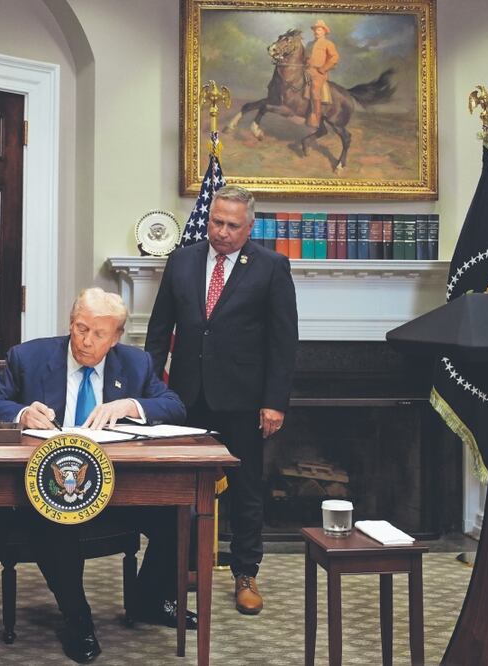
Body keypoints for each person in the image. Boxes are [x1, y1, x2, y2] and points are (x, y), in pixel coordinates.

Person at [0, 288, 193, 664]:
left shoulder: (136, 364)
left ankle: (149, 598)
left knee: (182, 514)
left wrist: (132, 404)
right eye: (80, 329)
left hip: (117, 488)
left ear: (116, 338)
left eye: (98, 334)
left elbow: (174, 406)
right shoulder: (29, 357)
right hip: (49, 488)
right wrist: (23, 412)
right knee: (57, 516)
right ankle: (77, 619)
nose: (86, 341)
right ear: (71, 322)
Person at [145, 184, 298, 617]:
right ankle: (183, 568)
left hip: (244, 401)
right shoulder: (182, 259)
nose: (222, 232)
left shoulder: (270, 267)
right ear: (208, 217)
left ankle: (245, 573)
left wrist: (275, 402)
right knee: (180, 487)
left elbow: (283, 342)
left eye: (232, 225)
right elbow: (159, 332)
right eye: (216, 221)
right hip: (185, 398)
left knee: (246, 491)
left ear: (249, 227)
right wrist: (149, 392)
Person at [304, 19, 339, 127]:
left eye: (319, 29)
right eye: (315, 30)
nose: (316, 32)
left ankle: (316, 116)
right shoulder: (309, 44)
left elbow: (335, 57)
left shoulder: (328, 43)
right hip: (306, 69)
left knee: (315, 88)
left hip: (319, 72)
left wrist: (323, 68)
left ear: (324, 31)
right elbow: (305, 57)